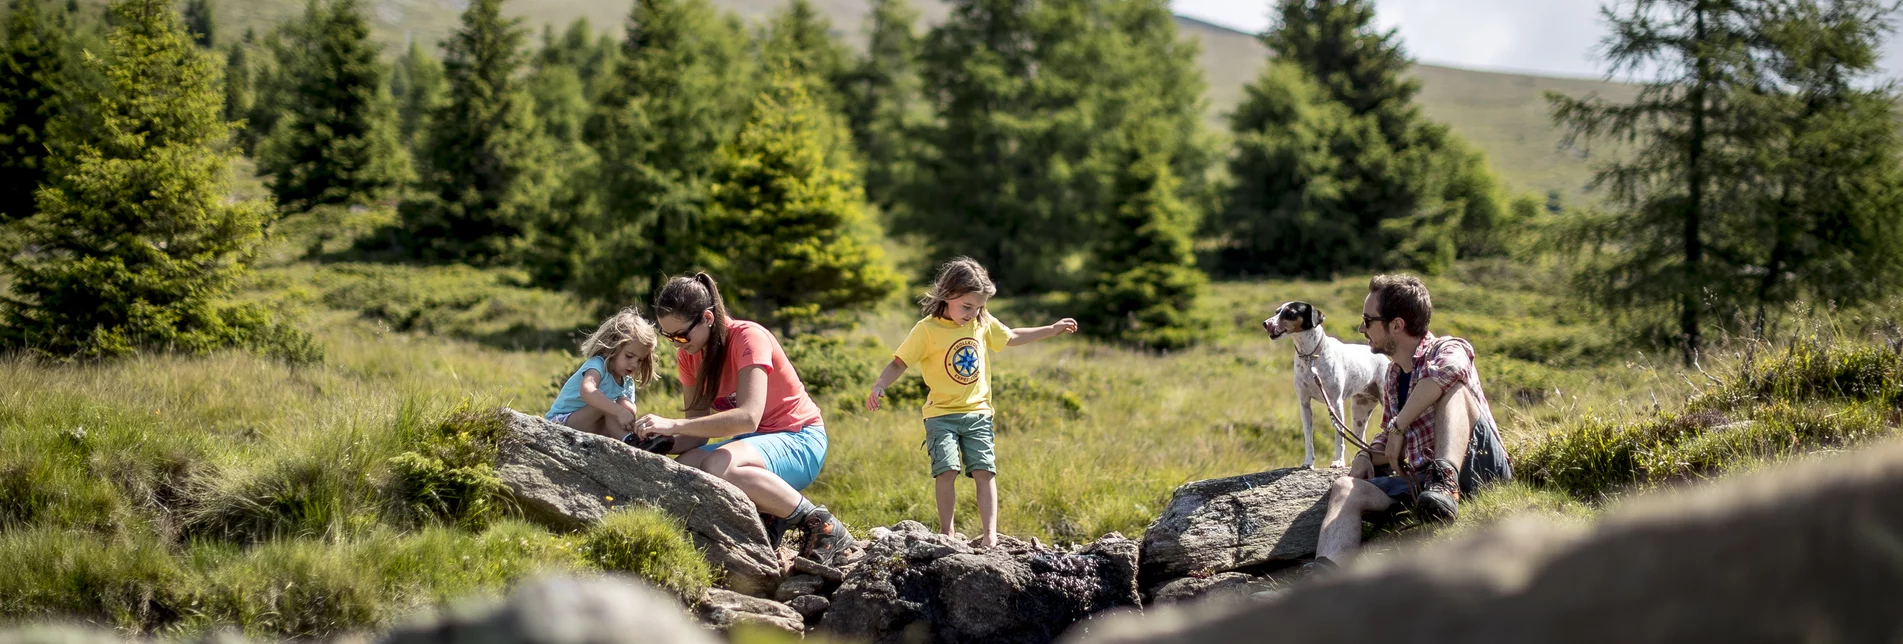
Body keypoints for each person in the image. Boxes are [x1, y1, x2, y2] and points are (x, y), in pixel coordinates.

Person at [630, 272, 853, 563]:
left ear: (708, 318)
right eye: (668, 336)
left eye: (681, 335)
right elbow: (696, 433)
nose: (676, 344)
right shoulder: (690, 354)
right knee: (683, 469)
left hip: (801, 438)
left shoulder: (749, 337)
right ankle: (768, 517)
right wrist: (658, 442)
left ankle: (820, 524)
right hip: (756, 444)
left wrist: (672, 424)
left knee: (717, 464)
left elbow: (748, 417)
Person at [864, 257, 1078, 548]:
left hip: (978, 413)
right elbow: (899, 363)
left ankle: (990, 536)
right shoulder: (926, 329)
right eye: (967, 306)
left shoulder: (982, 321)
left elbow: (1012, 336)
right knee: (947, 470)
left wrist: (1051, 329)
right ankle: (947, 533)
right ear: (948, 294)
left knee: (984, 470)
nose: (972, 313)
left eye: (978, 307)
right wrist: (879, 385)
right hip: (940, 415)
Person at [1310, 275, 1513, 570]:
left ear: (1396, 325)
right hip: (1423, 485)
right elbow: (1388, 437)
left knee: (1453, 390)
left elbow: (1444, 377)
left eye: (1368, 321)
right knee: (1344, 488)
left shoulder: (1449, 348)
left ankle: (1447, 484)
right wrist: (1367, 454)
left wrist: (1399, 425)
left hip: (1482, 470)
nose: (1361, 328)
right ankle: (1326, 579)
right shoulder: (1393, 375)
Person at [546, 307, 659, 440]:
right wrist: (618, 410)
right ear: (612, 346)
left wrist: (627, 411)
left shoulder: (626, 381)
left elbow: (627, 410)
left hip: (593, 426)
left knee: (616, 412)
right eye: (629, 356)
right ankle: (631, 442)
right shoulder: (598, 365)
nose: (634, 364)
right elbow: (587, 391)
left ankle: (640, 440)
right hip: (563, 422)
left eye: (640, 360)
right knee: (608, 406)